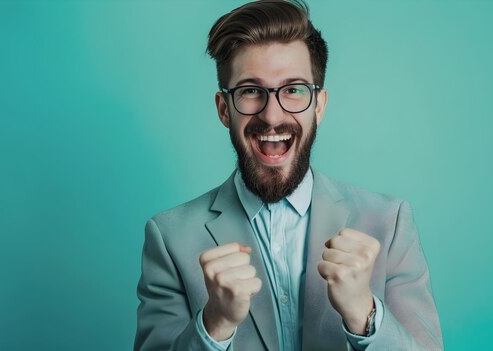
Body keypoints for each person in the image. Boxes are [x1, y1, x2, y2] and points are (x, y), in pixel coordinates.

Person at [134, 1, 443, 350]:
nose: (272, 115)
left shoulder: (390, 223)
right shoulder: (169, 238)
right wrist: (214, 325)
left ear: (319, 105)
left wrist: (365, 313)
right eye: (251, 91)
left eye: (293, 90)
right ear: (224, 109)